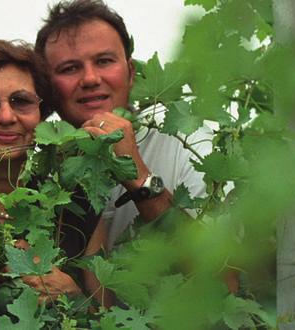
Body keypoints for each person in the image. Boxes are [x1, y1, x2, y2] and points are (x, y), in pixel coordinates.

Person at [0, 39, 107, 326]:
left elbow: (108, 318)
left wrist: (73, 295)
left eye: (21, 101)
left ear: (40, 113)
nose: (6, 116)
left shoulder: (78, 201)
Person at [34, 0, 211, 250]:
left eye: (104, 61)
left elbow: (223, 279)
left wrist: (140, 178)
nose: (91, 79)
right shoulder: (42, 170)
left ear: (130, 73)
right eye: (70, 68)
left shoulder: (185, 142)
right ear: (48, 87)